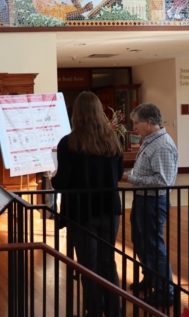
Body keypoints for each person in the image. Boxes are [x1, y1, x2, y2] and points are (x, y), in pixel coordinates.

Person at [51, 92, 123, 317]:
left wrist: (53, 178)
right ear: (99, 111)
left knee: (88, 266)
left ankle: (94, 311)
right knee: (107, 262)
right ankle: (114, 310)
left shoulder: (69, 142)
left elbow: (63, 182)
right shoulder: (113, 140)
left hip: (82, 212)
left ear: (76, 114)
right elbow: (119, 173)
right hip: (110, 209)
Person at [121, 103, 177, 307]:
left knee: (153, 246)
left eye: (136, 123)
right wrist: (130, 177)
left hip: (153, 201)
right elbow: (145, 171)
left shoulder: (162, 145)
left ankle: (165, 291)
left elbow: (163, 181)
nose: (134, 127)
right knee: (140, 241)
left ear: (149, 122)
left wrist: (129, 178)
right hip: (143, 199)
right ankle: (152, 278)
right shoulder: (150, 141)